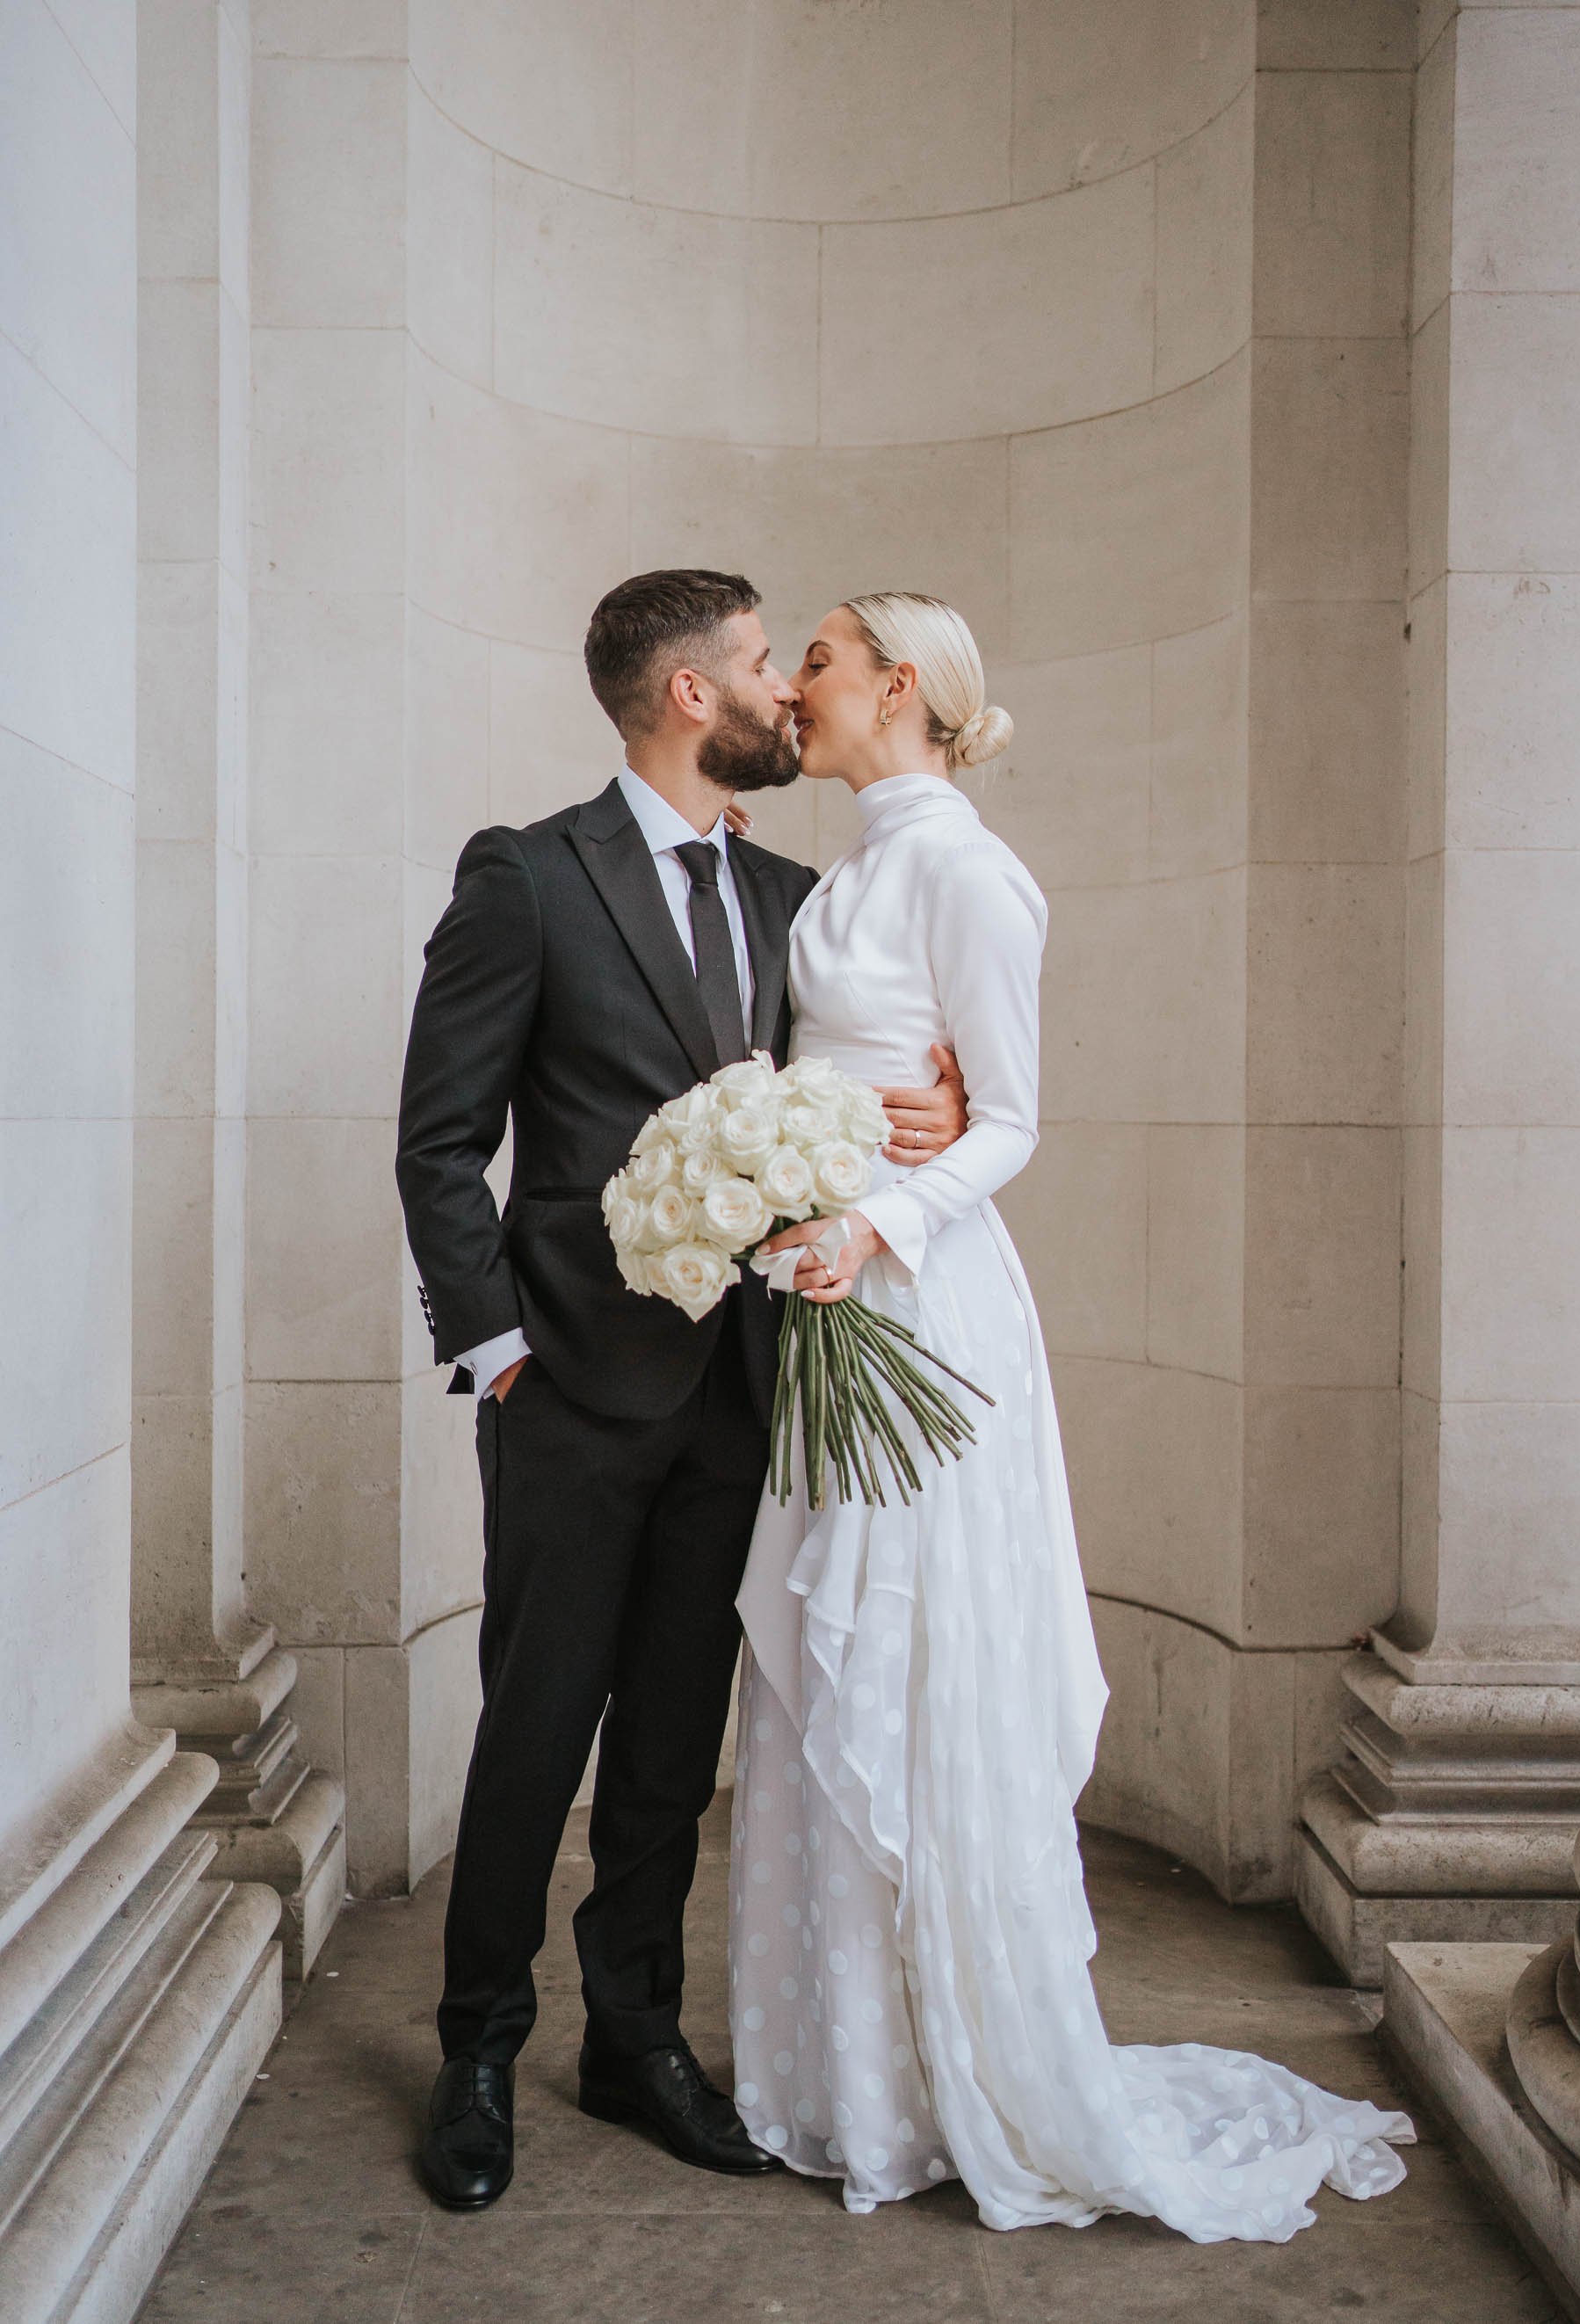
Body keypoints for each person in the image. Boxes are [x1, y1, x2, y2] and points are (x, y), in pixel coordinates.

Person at [729, 592, 1415, 2240]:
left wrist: (871, 1221)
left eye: (813, 659)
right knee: (833, 1675)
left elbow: (1014, 1119)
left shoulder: (972, 868)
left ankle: (964, 2073)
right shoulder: (835, 872)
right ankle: (849, 2075)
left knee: (916, 1663)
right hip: (827, 1300)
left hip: (915, 1303)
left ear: (899, 686)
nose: (793, 687)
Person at [395, 570, 968, 2210]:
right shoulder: (527, 877)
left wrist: (932, 1104)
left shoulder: (802, 895)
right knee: (537, 1724)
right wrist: (498, 1354)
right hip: (568, 1391)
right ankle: (481, 2043)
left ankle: (633, 2035)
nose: (791, 697)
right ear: (686, 698)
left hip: (744, 1390)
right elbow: (442, 1143)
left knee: (671, 1736)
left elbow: (867, 1078)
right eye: (757, 669)